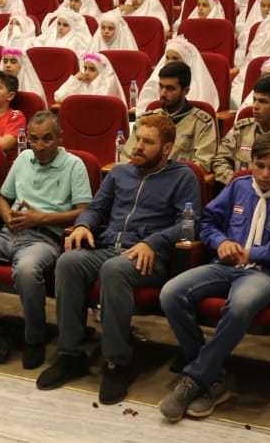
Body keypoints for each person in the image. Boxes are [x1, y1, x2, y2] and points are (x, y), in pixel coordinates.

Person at [36, 113, 200, 404]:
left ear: (166, 148)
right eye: (138, 139)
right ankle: (71, 353)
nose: (138, 147)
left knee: (114, 269)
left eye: (148, 142)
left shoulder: (183, 177)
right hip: (107, 246)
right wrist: (84, 225)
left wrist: (153, 242)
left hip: (148, 257)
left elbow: (189, 224)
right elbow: (95, 209)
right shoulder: (119, 173)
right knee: (68, 262)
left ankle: (117, 362)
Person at [159, 133, 270, 421]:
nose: (265, 174)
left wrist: (255, 253)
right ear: (250, 162)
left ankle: (194, 379)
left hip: (263, 273)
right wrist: (221, 242)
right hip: (224, 265)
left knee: (240, 305)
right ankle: (213, 377)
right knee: (171, 293)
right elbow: (208, 222)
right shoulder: (238, 186)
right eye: (259, 165)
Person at [0, 111, 92, 369]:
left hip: (44, 239)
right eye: (34, 138)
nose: (39, 146)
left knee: (26, 270)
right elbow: (2, 198)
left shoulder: (73, 165)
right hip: (9, 233)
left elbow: (84, 211)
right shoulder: (23, 159)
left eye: (47, 139)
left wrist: (40, 218)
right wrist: (7, 216)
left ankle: (34, 337)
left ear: (60, 138)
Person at [118, 60, 216, 173]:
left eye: (170, 88)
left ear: (185, 91)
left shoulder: (202, 123)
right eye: (161, 87)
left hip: (178, 180)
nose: (163, 93)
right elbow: (126, 158)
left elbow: (202, 166)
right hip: (141, 177)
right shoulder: (147, 119)